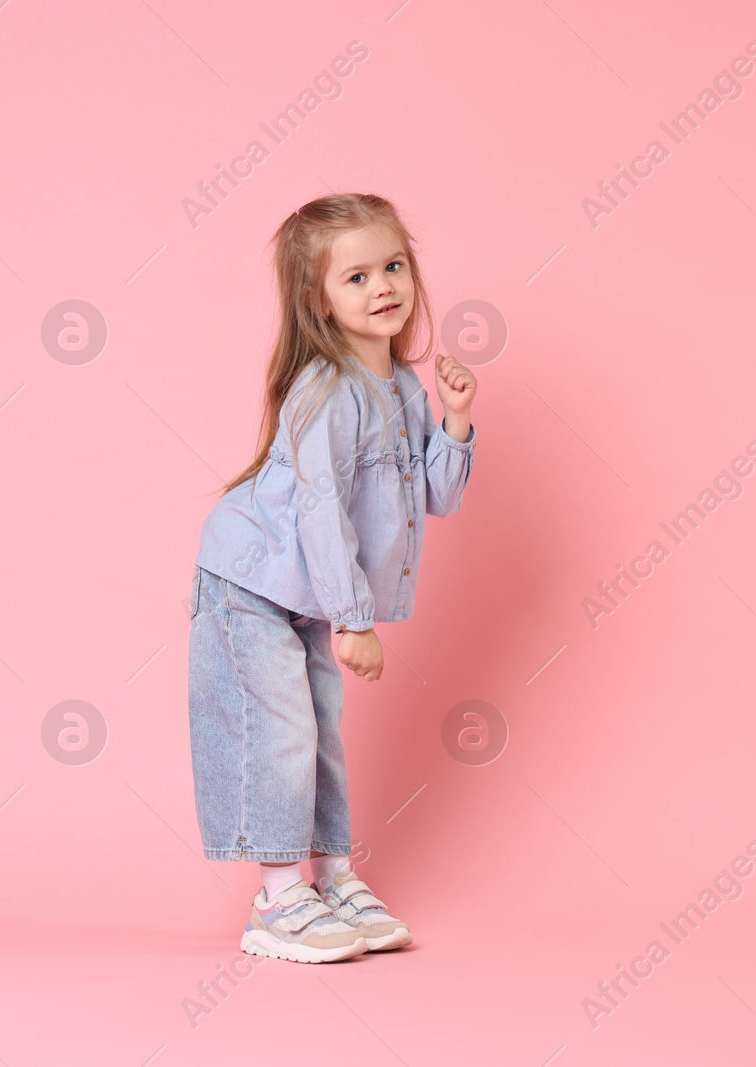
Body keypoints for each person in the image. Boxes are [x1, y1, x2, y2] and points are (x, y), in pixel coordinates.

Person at [186, 193, 479, 963]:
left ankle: (333, 874)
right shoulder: (326, 391)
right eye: (356, 277)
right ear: (317, 299)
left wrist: (453, 419)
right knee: (279, 732)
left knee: (320, 730)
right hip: (251, 583)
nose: (382, 285)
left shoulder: (404, 388)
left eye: (393, 266)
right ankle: (281, 897)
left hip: (305, 590)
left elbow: (437, 498)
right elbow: (320, 514)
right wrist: (355, 618)